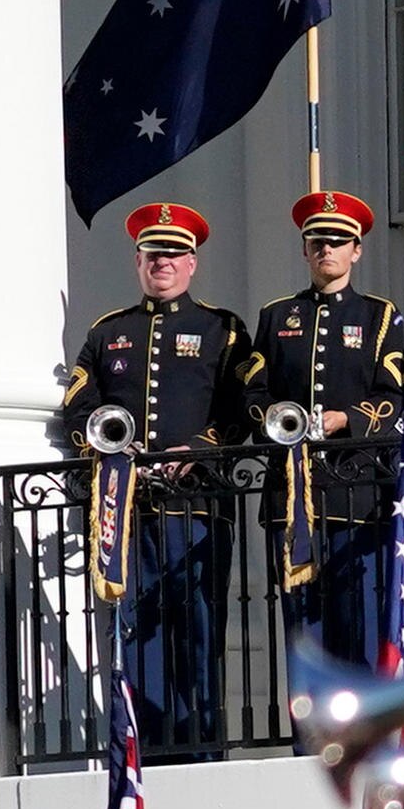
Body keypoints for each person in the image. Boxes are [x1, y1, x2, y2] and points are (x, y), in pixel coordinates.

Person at [58, 203, 249, 753]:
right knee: (137, 638)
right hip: (130, 508)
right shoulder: (108, 331)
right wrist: (110, 448)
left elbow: (244, 408)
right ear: (138, 262)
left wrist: (205, 447)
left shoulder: (223, 329)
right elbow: (78, 405)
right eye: (152, 253)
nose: (162, 262)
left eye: (173, 254)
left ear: (193, 263)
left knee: (198, 636)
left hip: (197, 510)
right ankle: (147, 759)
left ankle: (201, 751)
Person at [242, 189, 404, 656]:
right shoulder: (276, 317)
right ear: (304, 250)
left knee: (359, 625)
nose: (326, 250)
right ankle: (309, 732)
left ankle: (366, 730)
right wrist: (277, 418)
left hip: (357, 494)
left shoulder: (379, 316)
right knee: (302, 632)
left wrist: (346, 419)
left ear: (356, 250)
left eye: (337, 241)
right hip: (291, 495)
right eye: (317, 242)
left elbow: (394, 397)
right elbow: (254, 393)